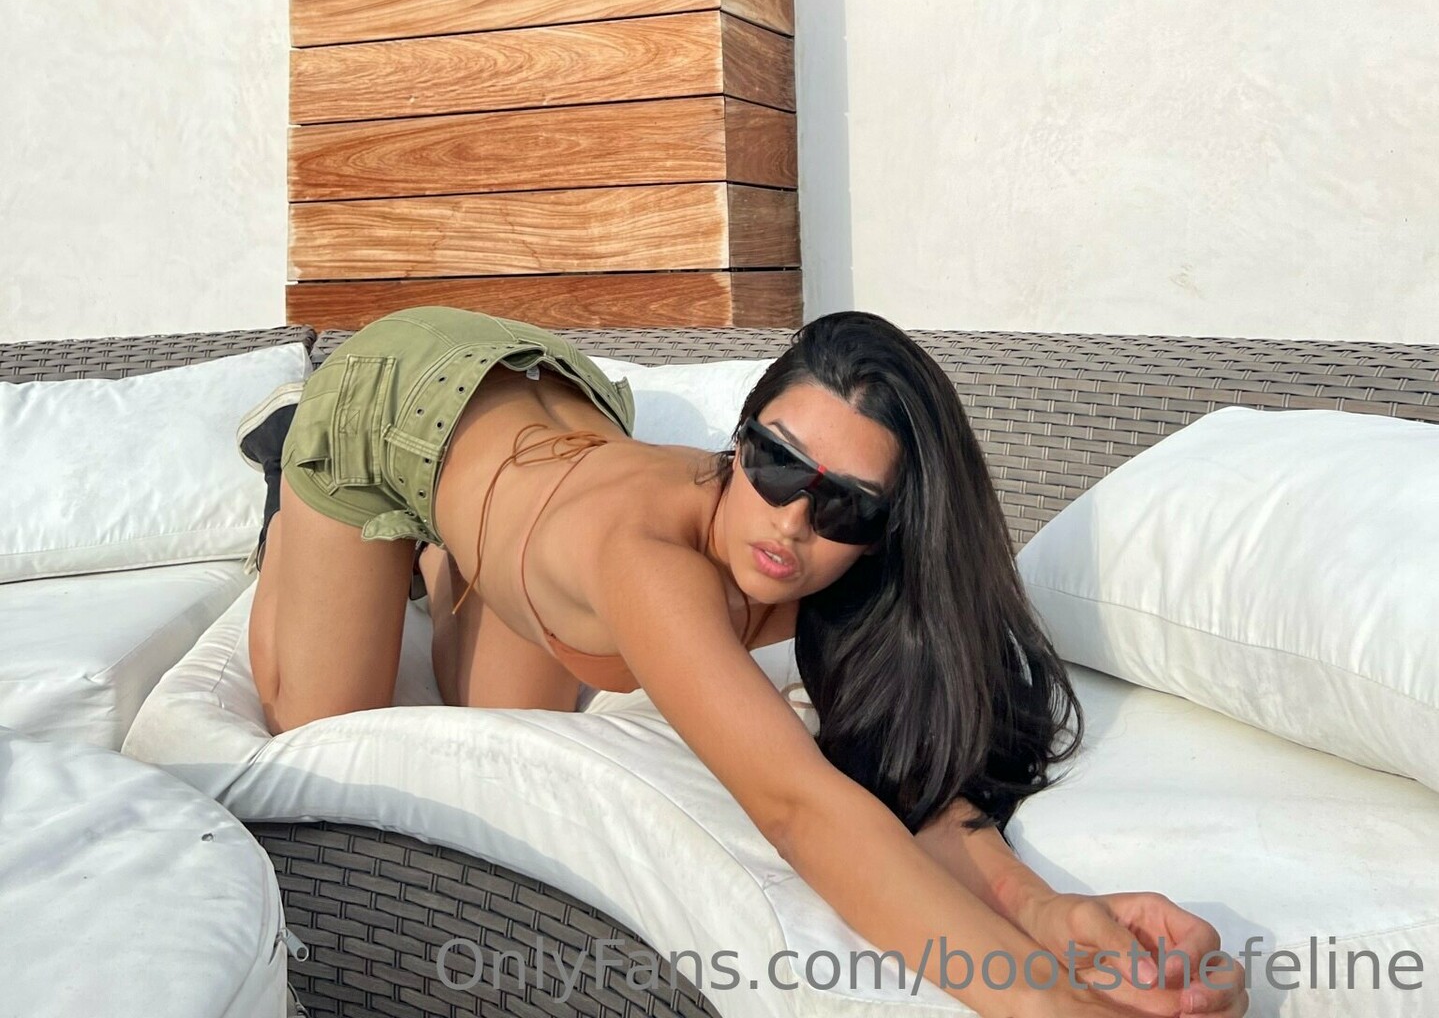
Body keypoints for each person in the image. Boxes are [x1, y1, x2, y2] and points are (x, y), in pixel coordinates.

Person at [243, 306, 1247, 1017]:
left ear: (886, 529)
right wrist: (1049, 1005)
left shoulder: (819, 570)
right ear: (738, 441)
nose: (791, 523)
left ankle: (448, 551)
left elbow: (884, 769)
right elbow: (798, 807)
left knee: (494, 719)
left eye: (844, 504)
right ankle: (293, 481)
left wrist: (1039, 909)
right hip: (392, 393)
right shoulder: (650, 563)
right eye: (775, 463)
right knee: (316, 720)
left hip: (538, 419)